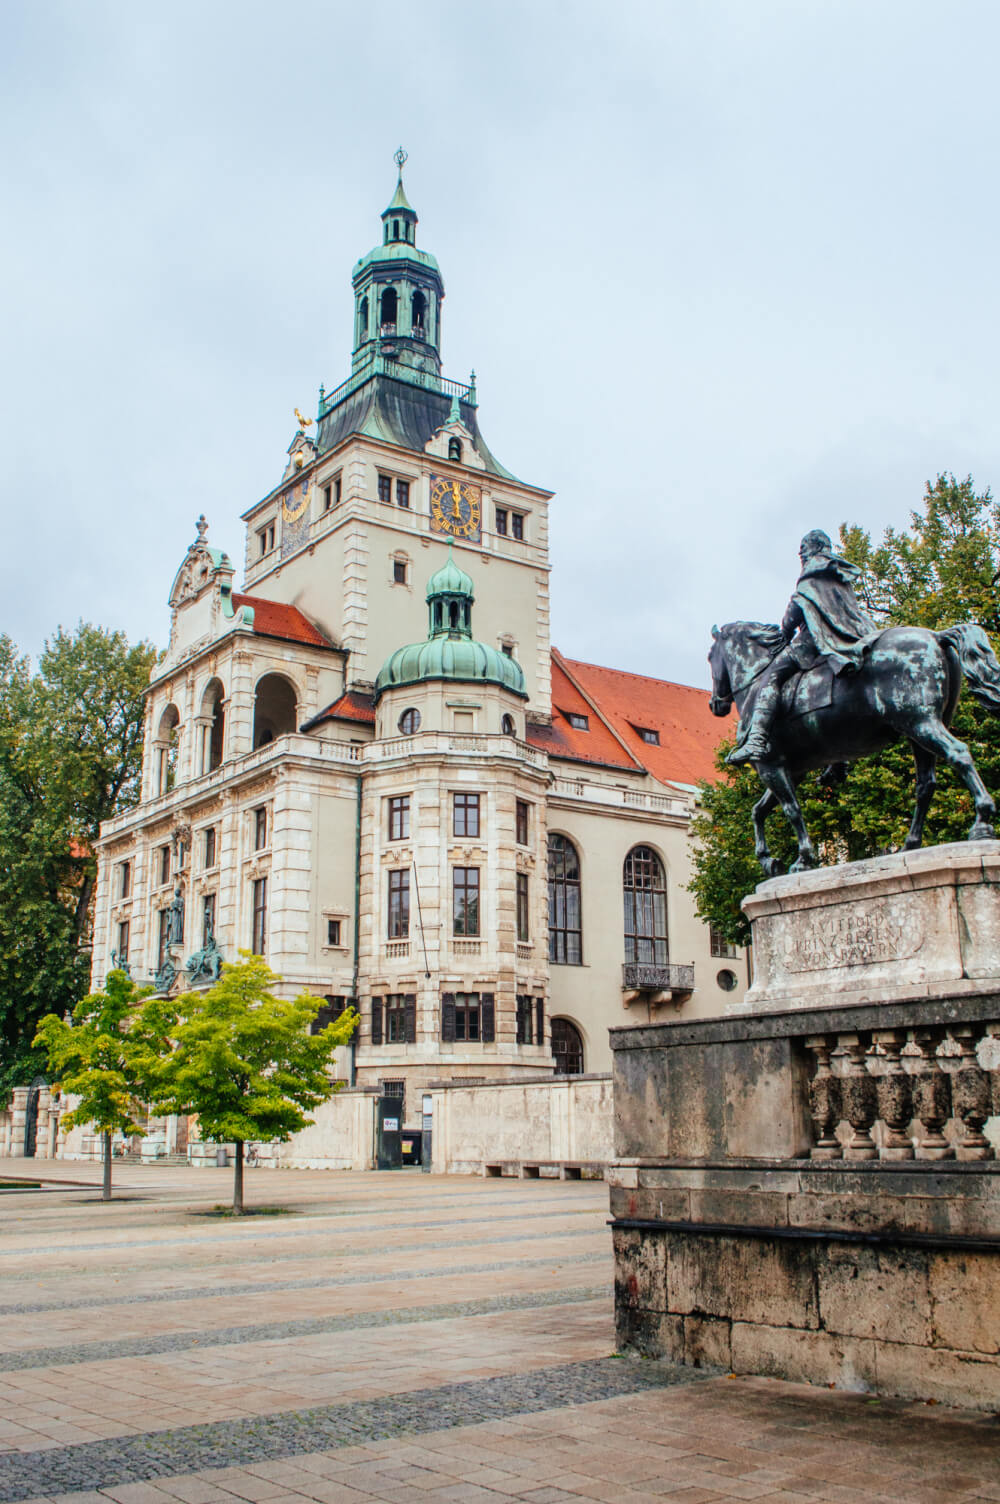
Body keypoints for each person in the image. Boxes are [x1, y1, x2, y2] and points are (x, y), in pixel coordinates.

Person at [728, 529, 879, 764]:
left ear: (814, 548)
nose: (801, 555)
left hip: (814, 642)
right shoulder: (840, 573)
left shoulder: (811, 574)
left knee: (770, 678)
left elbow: (795, 611)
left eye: (803, 550)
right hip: (851, 637)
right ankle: (837, 761)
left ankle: (756, 739)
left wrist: (786, 632)